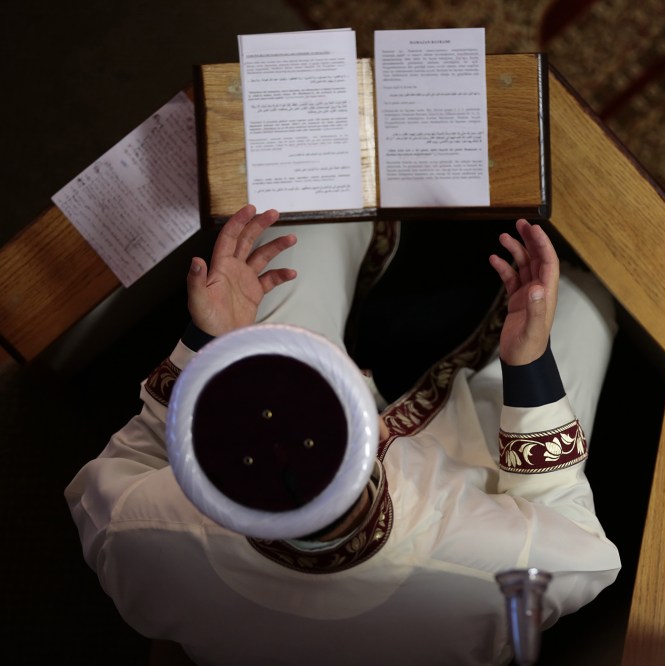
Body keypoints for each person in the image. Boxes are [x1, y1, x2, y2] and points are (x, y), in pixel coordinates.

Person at [65, 204, 621, 665]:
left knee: (302, 215)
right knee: (585, 303)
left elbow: (134, 455)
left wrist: (210, 340)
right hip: (458, 477)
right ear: (375, 444)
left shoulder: (138, 528)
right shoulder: (483, 560)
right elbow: (582, 545)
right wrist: (530, 367)